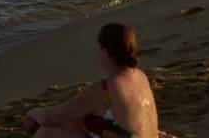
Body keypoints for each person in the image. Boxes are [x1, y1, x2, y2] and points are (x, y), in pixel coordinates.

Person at [23, 23, 159, 138]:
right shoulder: (140, 76)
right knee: (80, 120)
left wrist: (33, 113)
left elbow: (51, 118)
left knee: (47, 131)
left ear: (105, 52)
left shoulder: (103, 89)